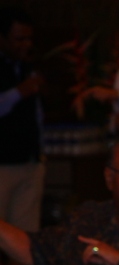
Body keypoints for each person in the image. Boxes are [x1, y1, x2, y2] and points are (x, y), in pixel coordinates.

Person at [0, 8, 42, 235]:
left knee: (26, 235)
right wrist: (19, 92)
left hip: (29, 161)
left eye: (29, 38)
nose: (26, 44)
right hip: (3, 163)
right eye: (19, 39)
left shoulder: (27, 66)